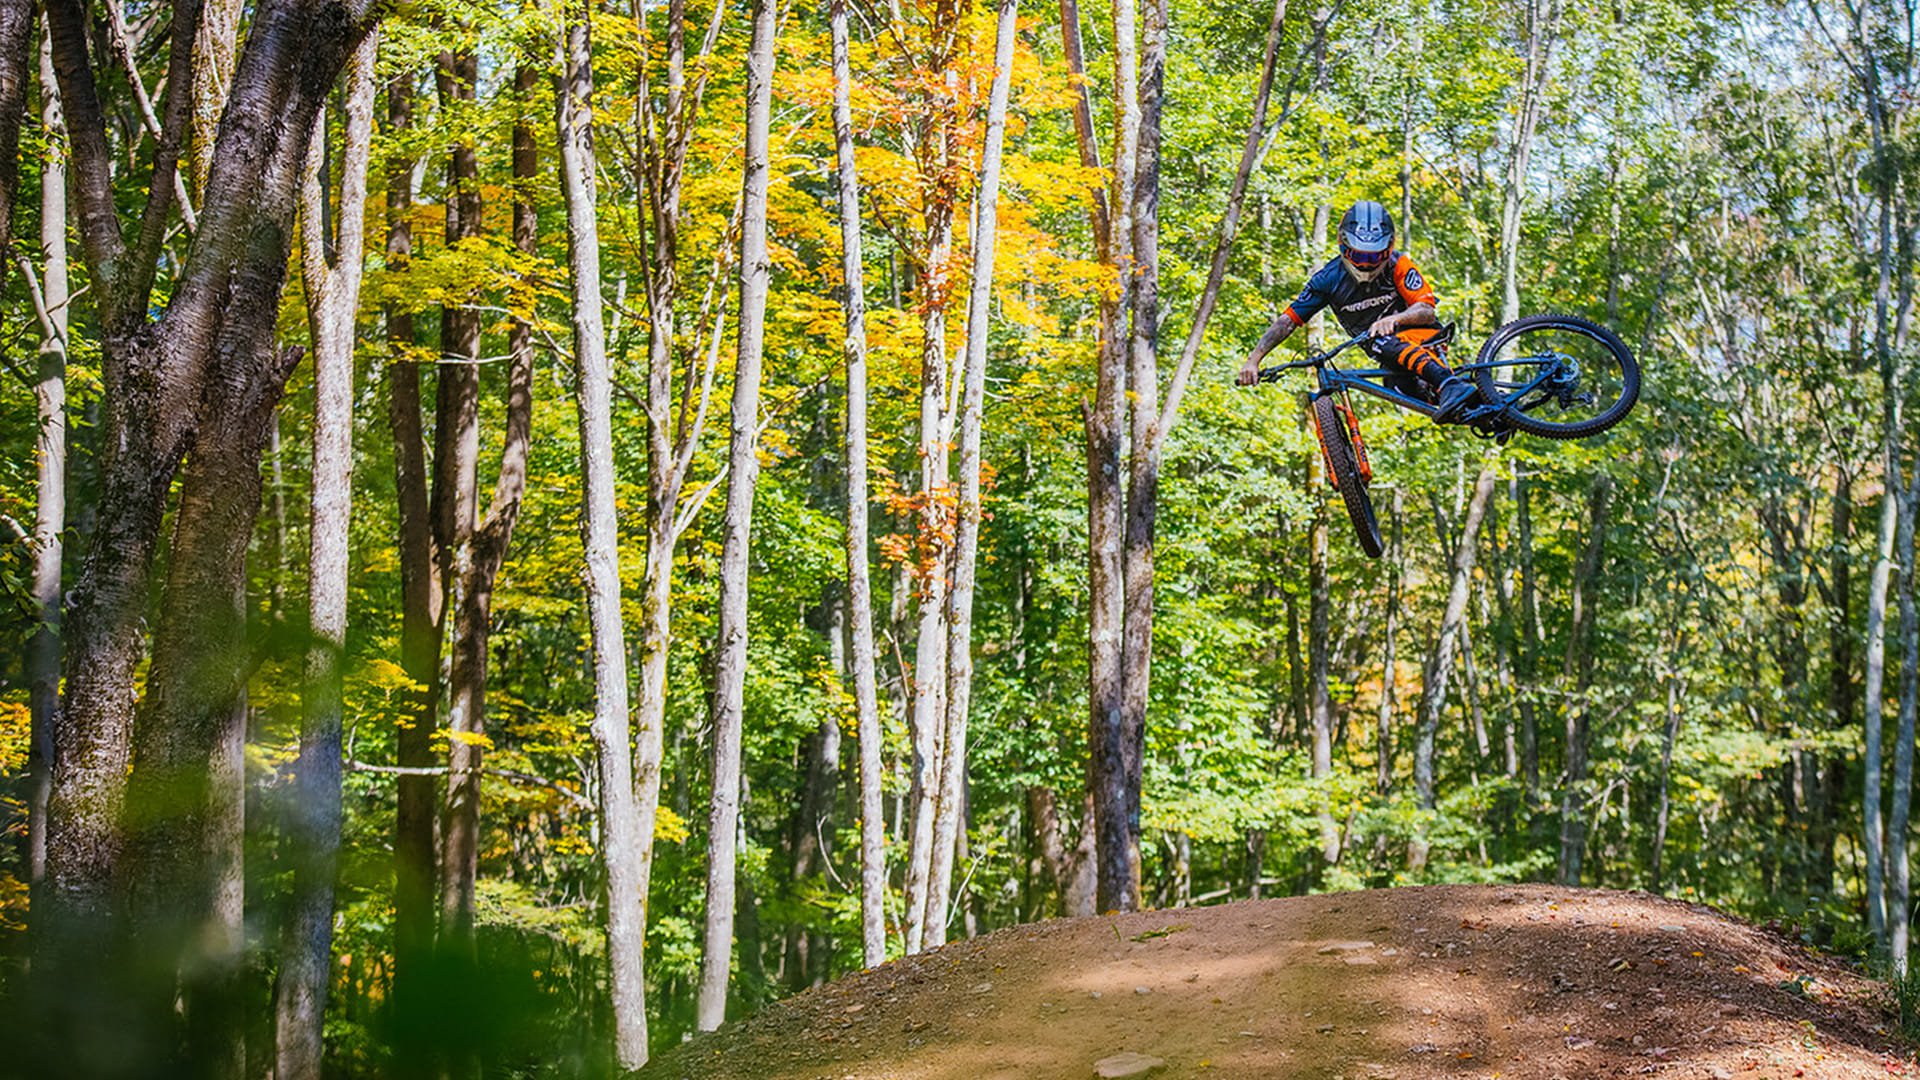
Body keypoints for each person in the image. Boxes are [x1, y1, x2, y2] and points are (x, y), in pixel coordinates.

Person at [1236, 200, 1479, 424]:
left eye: (1375, 256)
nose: (1366, 263)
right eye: (1359, 255)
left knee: (1384, 342)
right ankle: (1486, 412)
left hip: (1422, 335)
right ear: (1343, 245)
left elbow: (1426, 310)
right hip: (1388, 353)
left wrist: (1394, 319)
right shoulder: (1328, 280)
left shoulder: (1399, 264)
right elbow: (1287, 322)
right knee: (1402, 391)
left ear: (1388, 248)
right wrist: (1254, 360)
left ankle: (1450, 383)